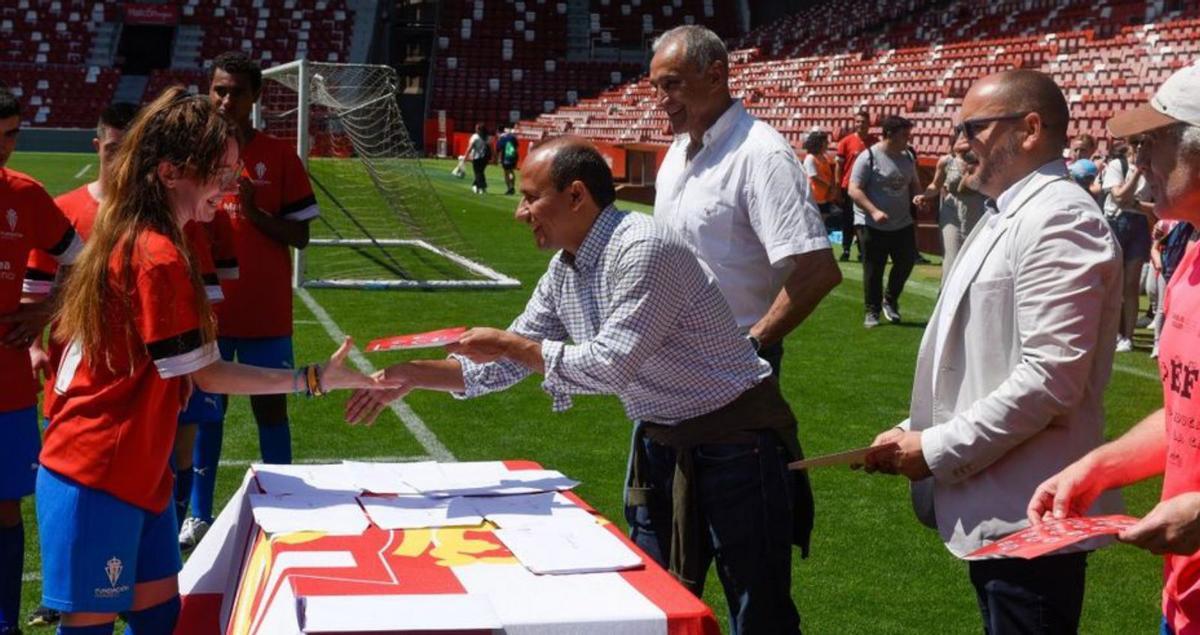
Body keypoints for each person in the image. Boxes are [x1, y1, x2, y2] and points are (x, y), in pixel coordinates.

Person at [346, 136, 809, 635]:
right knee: (649, 598)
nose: (521, 213)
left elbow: (607, 366)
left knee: (758, 610)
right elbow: (507, 363)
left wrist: (510, 345)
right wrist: (412, 375)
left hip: (738, 445)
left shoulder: (643, 249)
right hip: (662, 441)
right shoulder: (566, 267)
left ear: (576, 196)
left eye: (530, 197)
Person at [34, 86, 390, 635]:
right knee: (92, 627)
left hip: (134, 468)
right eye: (221, 176)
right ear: (173, 172)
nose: (229, 192)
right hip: (98, 472)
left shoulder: (147, 236)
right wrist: (312, 378)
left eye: (234, 176)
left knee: (160, 618)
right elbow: (207, 373)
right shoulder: (156, 254)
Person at [865, 69, 1124, 635]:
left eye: (973, 128)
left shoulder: (1059, 217)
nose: (959, 143)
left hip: (1030, 519)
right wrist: (915, 426)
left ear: (1030, 129)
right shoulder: (1011, 211)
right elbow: (988, 361)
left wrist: (933, 446)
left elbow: (1050, 379)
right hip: (1005, 511)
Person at [1026, 62, 1200, 635]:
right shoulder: (1189, 260)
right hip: (1184, 597)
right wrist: (1102, 467)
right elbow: (1185, 411)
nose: (1139, 160)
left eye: (1153, 142)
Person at [183, 51, 322, 549]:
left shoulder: (279, 156)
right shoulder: (190, 153)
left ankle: (281, 503)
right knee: (206, 414)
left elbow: (302, 237)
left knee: (271, 412)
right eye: (218, 89)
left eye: (236, 92)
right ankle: (197, 515)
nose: (225, 100)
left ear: (256, 97)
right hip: (207, 312)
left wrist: (257, 214)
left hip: (265, 313)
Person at [649, 24, 841, 377]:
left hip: (728, 359)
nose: (661, 99)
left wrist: (751, 345)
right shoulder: (676, 152)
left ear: (715, 76)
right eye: (656, 87)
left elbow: (818, 270)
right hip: (666, 354)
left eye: (672, 84)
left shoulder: (762, 155)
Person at [19, 102, 141, 630]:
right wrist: (35, 346)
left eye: (129, 149)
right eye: (112, 148)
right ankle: (61, 588)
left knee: (141, 484)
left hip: (137, 385)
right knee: (64, 488)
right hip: (74, 382)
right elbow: (37, 289)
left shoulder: (153, 217)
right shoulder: (65, 208)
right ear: (97, 145)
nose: (119, 160)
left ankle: (137, 577)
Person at [0, 87, 85, 635]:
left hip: (6, 386)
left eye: (10, 135)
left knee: (5, 511)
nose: (3, 148)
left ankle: (5, 622)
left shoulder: (26, 196)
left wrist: (45, 311)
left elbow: (80, 262)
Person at [847, 115, 922, 327]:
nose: (908, 139)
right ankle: (872, 311)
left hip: (901, 221)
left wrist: (918, 196)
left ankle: (890, 299)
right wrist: (874, 211)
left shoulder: (907, 156)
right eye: (904, 135)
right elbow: (854, 189)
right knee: (874, 268)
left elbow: (914, 183)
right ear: (890, 134)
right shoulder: (868, 157)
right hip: (872, 223)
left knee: (906, 262)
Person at [1102, 139, 1155, 352]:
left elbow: (1155, 205)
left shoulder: (1153, 170)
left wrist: (1136, 204)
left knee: (1131, 283)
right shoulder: (1118, 166)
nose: (1141, 148)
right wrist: (1136, 174)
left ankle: (1128, 337)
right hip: (1116, 222)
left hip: (1139, 224)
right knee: (1115, 280)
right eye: (1138, 144)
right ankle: (1113, 332)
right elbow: (1119, 196)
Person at [916, 137, 987, 278]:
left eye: (966, 137)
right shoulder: (946, 161)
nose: (963, 140)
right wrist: (925, 195)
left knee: (974, 258)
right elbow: (935, 185)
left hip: (977, 209)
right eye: (960, 137)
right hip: (951, 210)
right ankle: (946, 296)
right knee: (951, 258)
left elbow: (971, 186)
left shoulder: (983, 161)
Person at [835, 111, 876, 261]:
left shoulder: (875, 142)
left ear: (869, 124)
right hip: (849, 186)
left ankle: (862, 250)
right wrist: (838, 186)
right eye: (858, 121)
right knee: (848, 219)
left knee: (865, 220)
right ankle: (846, 249)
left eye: (863, 122)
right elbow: (839, 166)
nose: (860, 124)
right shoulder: (845, 142)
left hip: (869, 187)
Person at [803, 131, 836, 219]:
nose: (827, 144)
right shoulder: (810, 158)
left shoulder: (824, 158)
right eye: (825, 142)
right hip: (814, 198)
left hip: (824, 197)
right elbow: (814, 176)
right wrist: (829, 186)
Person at [467, 123, 490, 194]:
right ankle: (481, 187)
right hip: (485, 158)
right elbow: (491, 149)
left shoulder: (475, 137)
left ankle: (479, 187)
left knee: (478, 173)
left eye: (476, 128)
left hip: (476, 157)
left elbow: (469, 148)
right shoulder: (487, 137)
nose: (475, 129)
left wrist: (465, 157)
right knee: (481, 172)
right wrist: (495, 158)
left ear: (479, 129)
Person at [496, 126, 519, 195]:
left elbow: (498, 149)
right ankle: (512, 186)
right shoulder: (512, 137)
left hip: (505, 157)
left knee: (506, 172)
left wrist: (497, 159)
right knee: (511, 171)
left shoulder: (502, 138)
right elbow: (517, 146)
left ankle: (509, 188)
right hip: (514, 157)